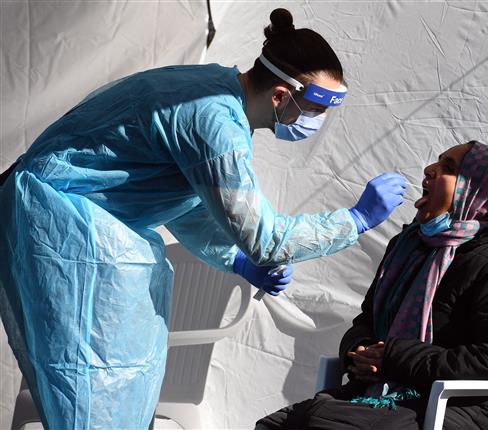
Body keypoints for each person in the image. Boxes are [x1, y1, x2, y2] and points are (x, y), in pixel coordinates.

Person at [0, 8, 406, 430]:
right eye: (315, 109)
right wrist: (356, 219)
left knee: (107, 388)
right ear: (281, 96)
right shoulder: (215, 124)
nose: (316, 123)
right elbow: (265, 238)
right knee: (93, 386)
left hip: (75, 224)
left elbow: (185, 199)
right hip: (66, 231)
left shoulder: (213, 91)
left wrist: (237, 262)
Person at [256, 141, 488, 430]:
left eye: (449, 168)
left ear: (476, 195)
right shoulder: (409, 247)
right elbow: (366, 320)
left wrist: (393, 357)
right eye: (436, 162)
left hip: (455, 410)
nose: (429, 170)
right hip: (383, 397)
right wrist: (360, 351)